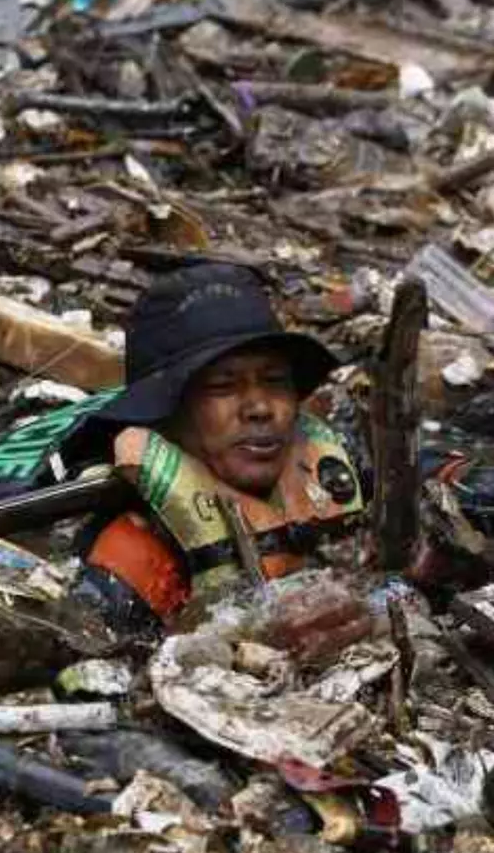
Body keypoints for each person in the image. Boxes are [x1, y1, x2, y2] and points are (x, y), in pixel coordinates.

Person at [64, 265, 368, 632]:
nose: (260, 408)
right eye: (222, 387)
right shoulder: (129, 557)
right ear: (164, 415)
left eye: (275, 380)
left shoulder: (340, 472)